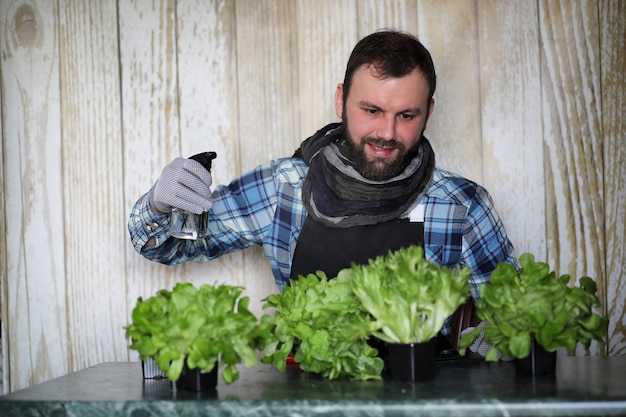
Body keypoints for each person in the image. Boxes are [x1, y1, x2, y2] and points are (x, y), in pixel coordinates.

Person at [128, 29, 518, 338]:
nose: (387, 131)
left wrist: (485, 345)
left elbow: (514, 323)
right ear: (341, 101)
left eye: (407, 115)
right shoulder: (282, 189)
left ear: (428, 111)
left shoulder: (462, 205)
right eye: (372, 110)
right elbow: (161, 247)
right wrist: (161, 206)